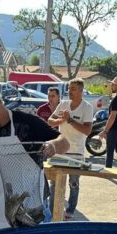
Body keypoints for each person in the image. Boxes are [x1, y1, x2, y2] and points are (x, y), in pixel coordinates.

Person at [0, 86, 70, 231]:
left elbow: (65, 142)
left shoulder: (27, 123)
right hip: (3, 212)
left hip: (35, 210)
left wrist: (53, 145)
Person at [48, 78, 93, 220]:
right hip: (60, 150)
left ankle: (70, 211)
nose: (70, 92)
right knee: (54, 183)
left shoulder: (87, 107)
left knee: (73, 184)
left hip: (76, 152)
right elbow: (50, 121)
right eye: (69, 88)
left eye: (73, 89)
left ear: (81, 90)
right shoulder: (63, 104)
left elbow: (87, 131)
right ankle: (52, 211)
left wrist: (69, 120)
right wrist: (61, 120)